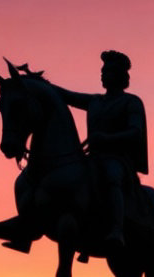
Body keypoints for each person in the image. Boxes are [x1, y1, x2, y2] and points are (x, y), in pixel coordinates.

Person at [54, 50, 148, 249]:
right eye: (102, 71)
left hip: (117, 159)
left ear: (120, 76)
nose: (102, 74)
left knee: (112, 177)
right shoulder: (94, 101)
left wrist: (106, 138)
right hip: (93, 158)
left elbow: (135, 132)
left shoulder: (131, 102)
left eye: (107, 71)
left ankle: (117, 229)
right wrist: (39, 83)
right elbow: (65, 96)